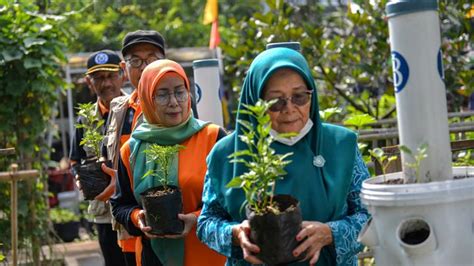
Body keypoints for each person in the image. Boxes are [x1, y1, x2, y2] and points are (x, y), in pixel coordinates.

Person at [197, 47, 370, 266]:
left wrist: (331, 233)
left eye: (299, 97)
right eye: (275, 102)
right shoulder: (226, 155)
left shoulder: (340, 145)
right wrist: (234, 233)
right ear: (255, 103)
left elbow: (371, 216)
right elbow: (207, 222)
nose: (289, 109)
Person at [109, 59, 227, 266]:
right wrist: (139, 218)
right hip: (153, 258)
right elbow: (120, 205)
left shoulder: (213, 137)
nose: (174, 102)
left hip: (208, 255)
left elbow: (230, 199)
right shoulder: (132, 149)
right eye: (162, 94)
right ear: (147, 98)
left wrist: (197, 218)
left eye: (180, 91)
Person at [103, 30, 167, 265]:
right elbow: (109, 157)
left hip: (168, 219)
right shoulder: (119, 109)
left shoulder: (177, 106)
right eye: (136, 61)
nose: (143, 67)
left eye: (151, 59)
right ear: (124, 67)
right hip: (130, 219)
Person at [69, 49, 128, 266]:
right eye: (98, 78)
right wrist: (79, 178)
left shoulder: (135, 109)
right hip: (103, 209)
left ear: (123, 73)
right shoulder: (86, 118)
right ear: (89, 81)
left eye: (111, 75)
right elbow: (75, 160)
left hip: (133, 206)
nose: (106, 84)